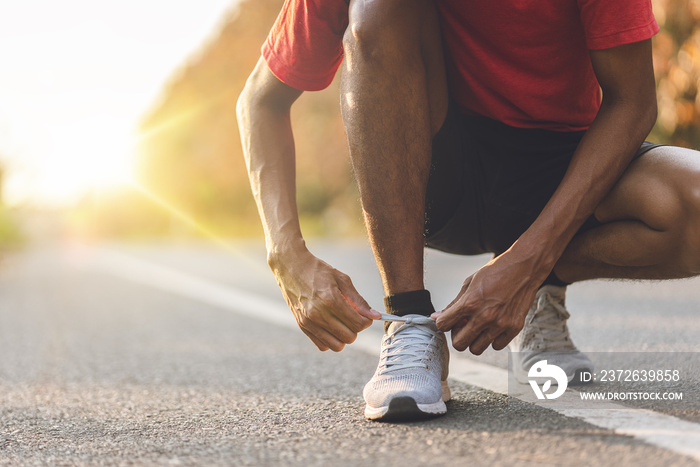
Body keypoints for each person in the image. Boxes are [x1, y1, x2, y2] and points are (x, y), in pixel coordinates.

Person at [237, 0, 700, 421]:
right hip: (434, 173)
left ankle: (541, 289)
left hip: (559, 169)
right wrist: (285, 256)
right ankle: (410, 320)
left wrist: (528, 266)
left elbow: (633, 101)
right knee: (376, 9)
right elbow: (260, 100)